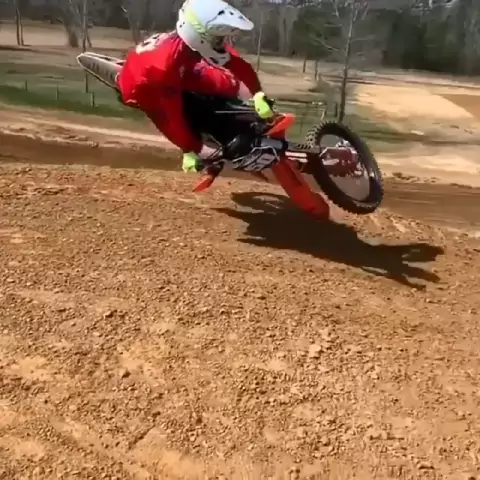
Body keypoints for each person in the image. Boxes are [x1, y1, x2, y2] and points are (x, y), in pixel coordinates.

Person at [117, 0, 274, 173]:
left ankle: (234, 121)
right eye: (218, 39)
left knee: (228, 84)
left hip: (181, 69)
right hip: (144, 88)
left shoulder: (189, 45)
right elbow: (169, 117)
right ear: (198, 35)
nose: (222, 43)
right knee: (193, 115)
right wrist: (189, 148)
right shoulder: (165, 68)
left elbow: (237, 64)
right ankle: (210, 141)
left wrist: (257, 94)